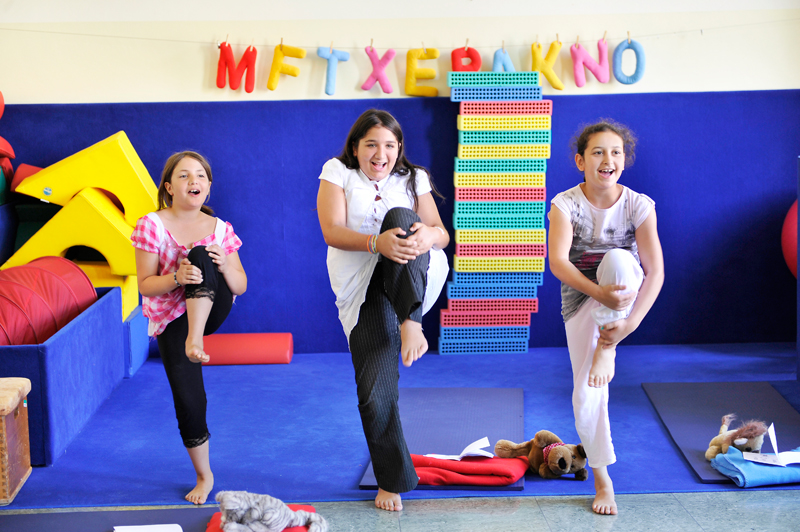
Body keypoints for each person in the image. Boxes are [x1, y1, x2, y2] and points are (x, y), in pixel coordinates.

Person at [316, 109, 450, 511]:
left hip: (412, 273)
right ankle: (391, 479)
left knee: (404, 218)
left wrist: (427, 234)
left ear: (399, 149)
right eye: (371, 144)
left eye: (390, 145)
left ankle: (411, 319)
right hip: (363, 289)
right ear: (356, 147)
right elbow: (331, 231)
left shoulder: (414, 178)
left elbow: (441, 233)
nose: (381, 153)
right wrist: (378, 244)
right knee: (374, 393)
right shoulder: (337, 172)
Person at [548, 120, 664, 515]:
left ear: (624, 162)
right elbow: (559, 263)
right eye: (597, 152)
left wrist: (626, 326)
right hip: (582, 303)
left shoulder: (637, 205)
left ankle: (607, 346)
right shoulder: (566, 204)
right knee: (584, 397)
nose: (607, 159)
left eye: (615, 153)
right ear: (581, 160)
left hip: (621, 296)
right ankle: (603, 478)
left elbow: (656, 271)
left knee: (618, 258)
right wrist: (597, 295)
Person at [131, 151, 247, 505]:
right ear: (168, 187)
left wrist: (225, 264)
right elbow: (145, 285)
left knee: (201, 255)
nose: (192, 181)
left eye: (199, 176)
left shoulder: (220, 229)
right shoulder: (151, 224)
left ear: (208, 187)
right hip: (172, 317)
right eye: (183, 176)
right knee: (189, 398)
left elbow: (241, 285)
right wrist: (175, 278)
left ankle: (196, 339)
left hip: (214, 306)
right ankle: (203, 474)